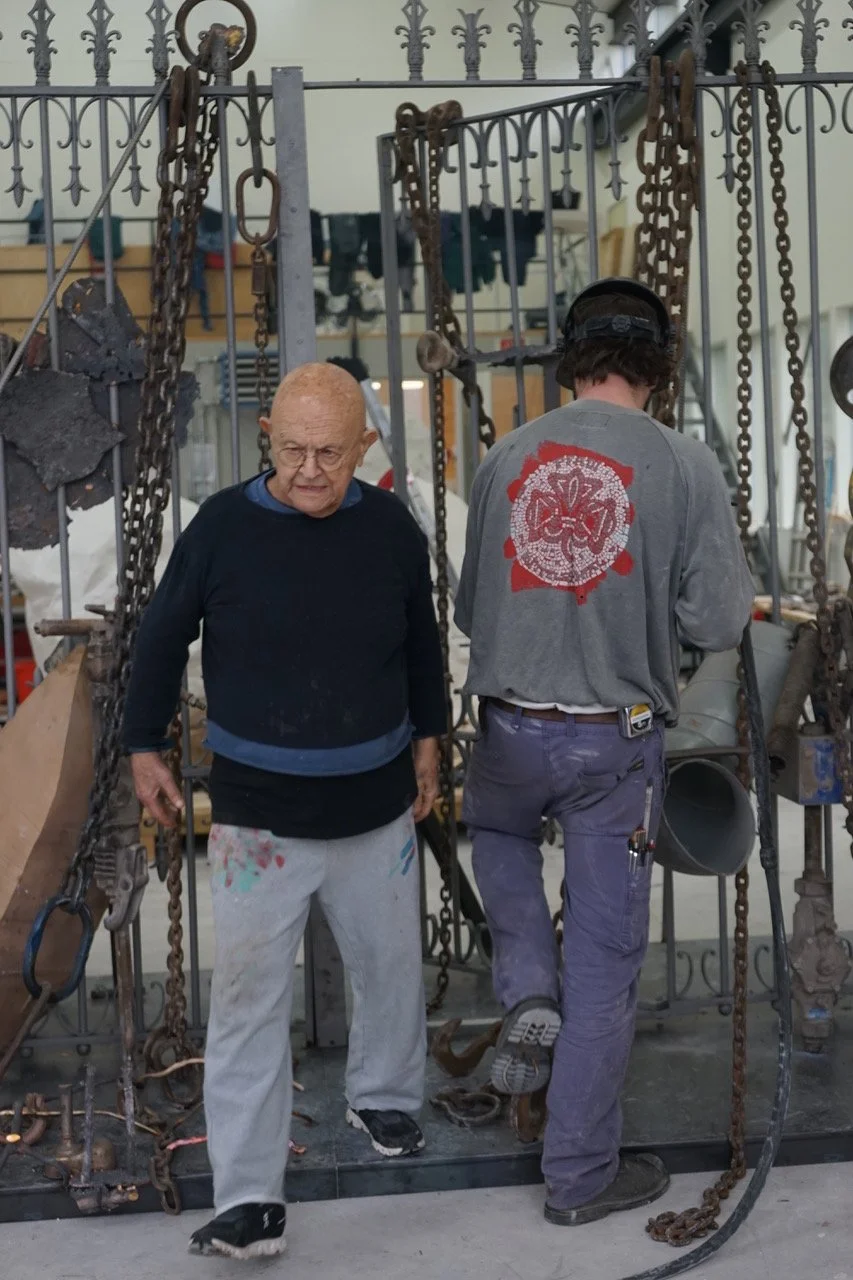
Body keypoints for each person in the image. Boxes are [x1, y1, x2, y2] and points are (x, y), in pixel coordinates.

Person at [123, 362, 446, 1259]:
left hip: (376, 805)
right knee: (248, 1007)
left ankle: (382, 1097)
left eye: (330, 454)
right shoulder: (222, 527)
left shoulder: (389, 529)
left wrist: (432, 736)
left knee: (388, 968)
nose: (310, 469)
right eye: (295, 448)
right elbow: (161, 632)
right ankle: (250, 1195)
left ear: (365, 448)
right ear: (266, 432)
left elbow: (421, 636)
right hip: (257, 819)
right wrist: (142, 742)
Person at [455, 278, 755, 1227]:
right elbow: (716, 618)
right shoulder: (683, 463)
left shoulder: (506, 456)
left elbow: (472, 609)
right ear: (656, 367)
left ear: (569, 359)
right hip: (611, 749)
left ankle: (523, 986)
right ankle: (578, 1177)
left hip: (507, 729)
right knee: (604, 964)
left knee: (497, 840)